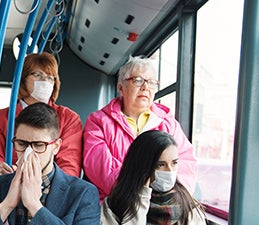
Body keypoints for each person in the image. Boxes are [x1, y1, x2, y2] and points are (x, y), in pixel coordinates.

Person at [83, 56, 197, 201]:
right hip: (115, 205)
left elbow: (185, 165)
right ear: (120, 88)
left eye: (151, 82)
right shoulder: (98, 122)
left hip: (162, 204)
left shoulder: (169, 124)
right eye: (137, 80)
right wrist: (142, 195)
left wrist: (167, 200)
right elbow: (102, 171)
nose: (145, 87)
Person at [0, 52, 83, 177]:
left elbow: (69, 163)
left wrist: (51, 188)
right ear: (23, 80)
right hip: (8, 185)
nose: (45, 81)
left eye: (50, 77)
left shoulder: (68, 118)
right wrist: (1, 173)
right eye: (38, 75)